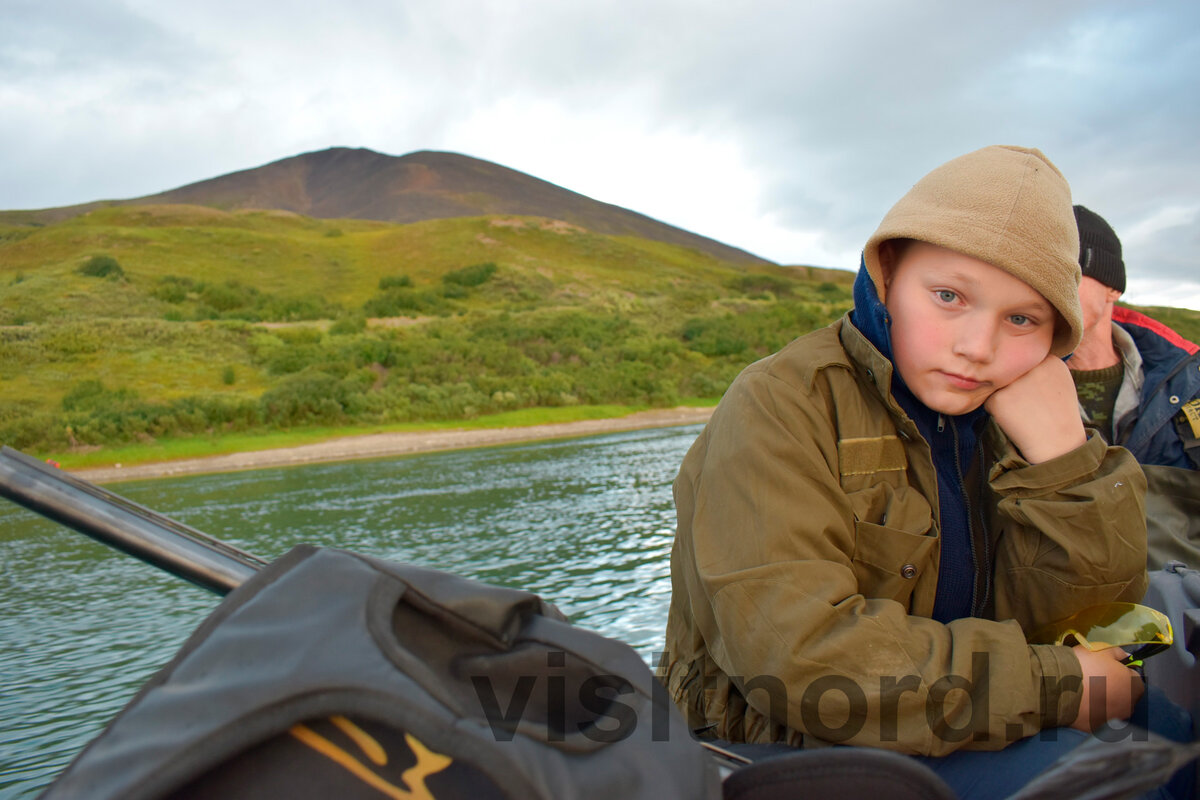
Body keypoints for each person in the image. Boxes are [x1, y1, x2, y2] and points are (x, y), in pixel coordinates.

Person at [660, 146, 1192, 799]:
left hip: (967, 723)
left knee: (1162, 756)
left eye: (1021, 318)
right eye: (948, 296)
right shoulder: (779, 402)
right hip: (773, 746)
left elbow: (1088, 618)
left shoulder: (1011, 411)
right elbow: (799, 661)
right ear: (888, 272)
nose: (978, 347)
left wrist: (1064, 460)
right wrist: (1059, 684)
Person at [1068, 205, 1200, 569]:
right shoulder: (997, 385)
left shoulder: (1190, 381)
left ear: (1112, 287)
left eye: (1070, 269)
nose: (1050, 284)